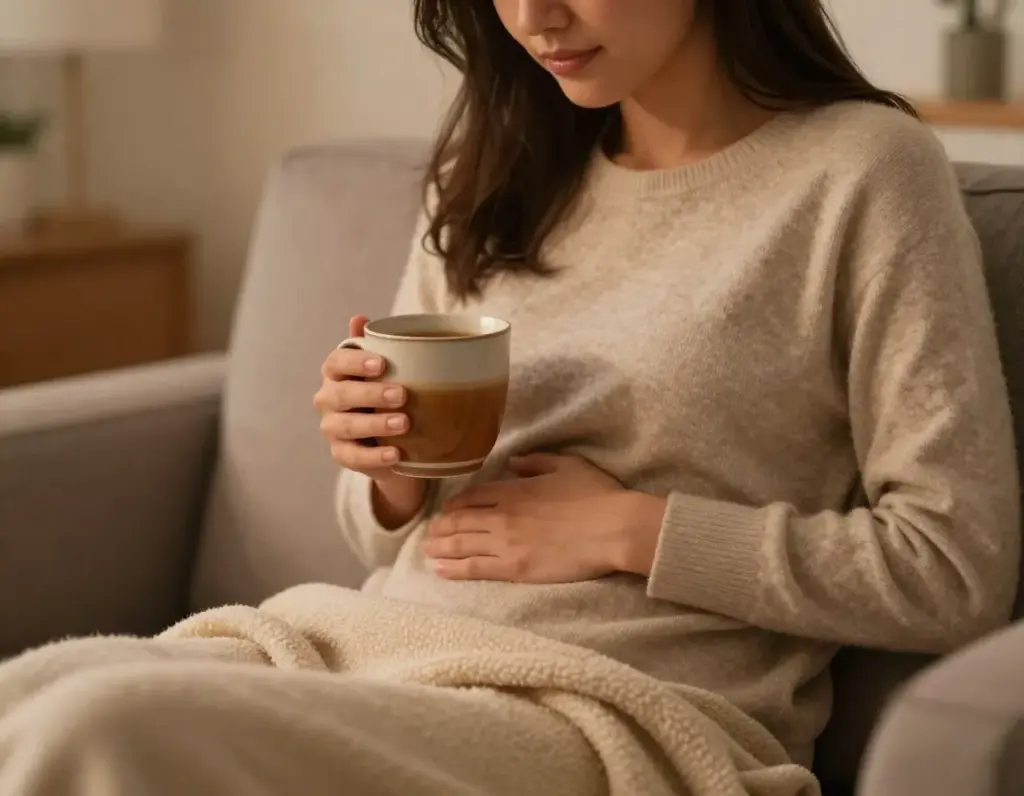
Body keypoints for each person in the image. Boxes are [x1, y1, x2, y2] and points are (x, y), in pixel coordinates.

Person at [0, 1, 1019, 794]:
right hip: (378, 650)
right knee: (29, 695)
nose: (533, 20)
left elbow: (954, 567)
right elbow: (381, 538)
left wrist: (632, 529)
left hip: (614, 712)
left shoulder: (861, 174)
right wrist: (385, 468)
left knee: (96, 730)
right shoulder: (492, 170)